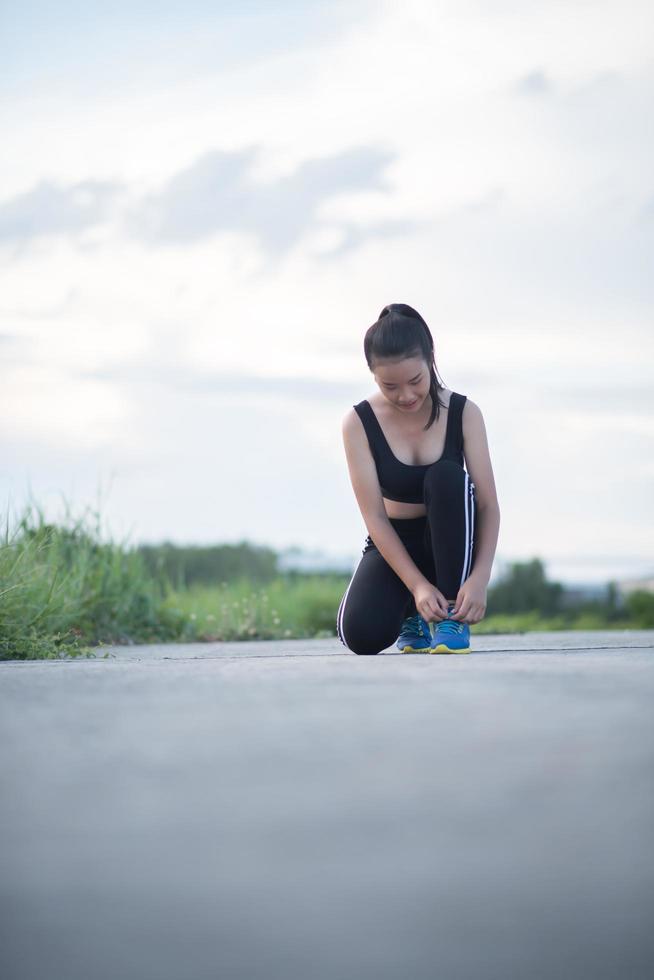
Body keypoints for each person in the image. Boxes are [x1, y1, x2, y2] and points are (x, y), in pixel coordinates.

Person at [336, 303, 501, 655]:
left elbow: (487, 505)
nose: (406, 395)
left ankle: (450, 616)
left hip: (452, 542)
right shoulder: (357, 423)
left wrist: (480, 578)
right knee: (359, 636)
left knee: (446, 477)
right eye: (390, 386)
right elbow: (375, 518)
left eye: (415, 381)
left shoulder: (464, 414)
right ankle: (411, 614)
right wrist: (417, 587)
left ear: (430, 359)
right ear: (373, 374)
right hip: (395, 542)